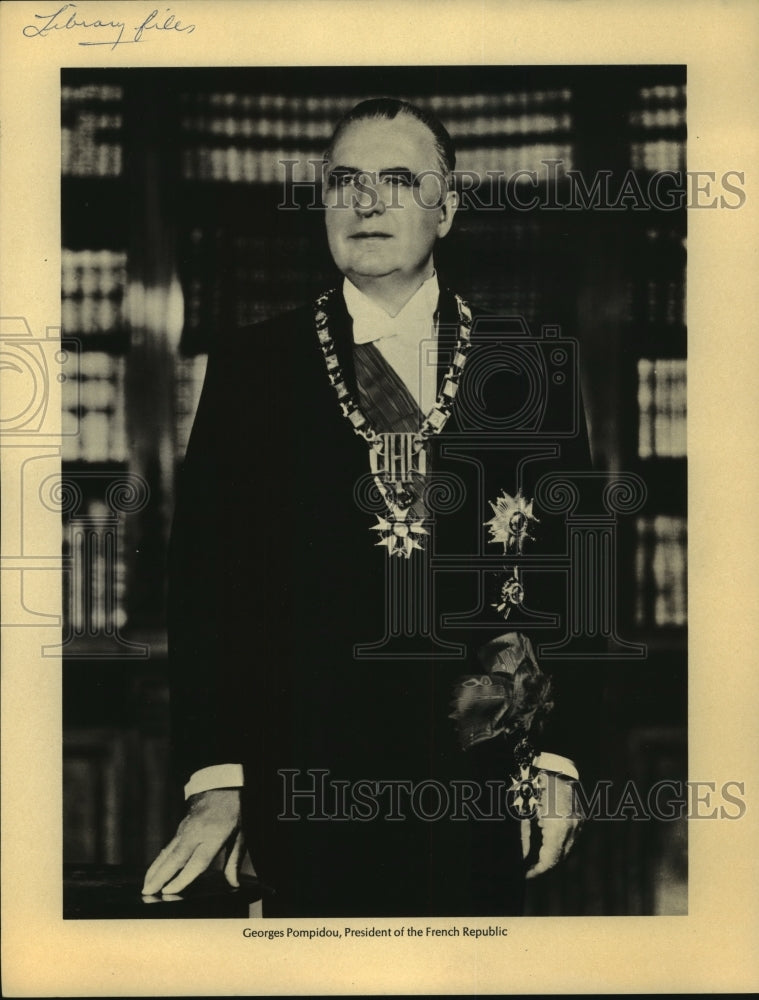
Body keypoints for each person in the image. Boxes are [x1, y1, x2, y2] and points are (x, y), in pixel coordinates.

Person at [142, 98, 593, 916]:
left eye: (397, 180)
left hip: (479, 784)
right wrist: (217, 779)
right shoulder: (254, 367)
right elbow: (205, 590)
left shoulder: (527, 365)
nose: (367, 202)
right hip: (299, 784)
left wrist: (558, 759)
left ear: (446, 208)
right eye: (344, 181)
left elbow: (573, 577)